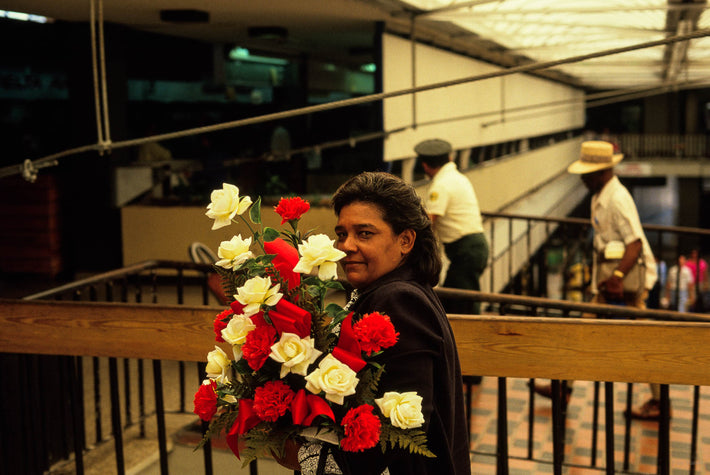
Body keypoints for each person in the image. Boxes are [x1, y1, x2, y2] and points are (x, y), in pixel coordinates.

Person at [279, 172, 471, 474]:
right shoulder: (395, 290)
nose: (346, 246)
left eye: (364, 234)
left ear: (405, 240)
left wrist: (304, 455)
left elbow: (399, 430)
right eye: (342, 234)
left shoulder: (399, 301)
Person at [533, 140, 661, 420]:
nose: (581, 178)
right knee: (582, 330)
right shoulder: (600, 194)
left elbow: (635, 244)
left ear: (601, 172)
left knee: (647, 343)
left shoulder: (617, 199)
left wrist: (616, 276)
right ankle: (563, 389)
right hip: (610, 283)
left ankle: (660, 400)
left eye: (586, 173)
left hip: (629, 283)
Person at [415, 138, 489, 315]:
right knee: (462, 297)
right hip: (474, 246)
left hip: (466, 249)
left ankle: (471, 338)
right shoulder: (457, 177)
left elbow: (429, 221)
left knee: (460, 302)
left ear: (425, 165)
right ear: (449, 157)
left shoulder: (441, 185)